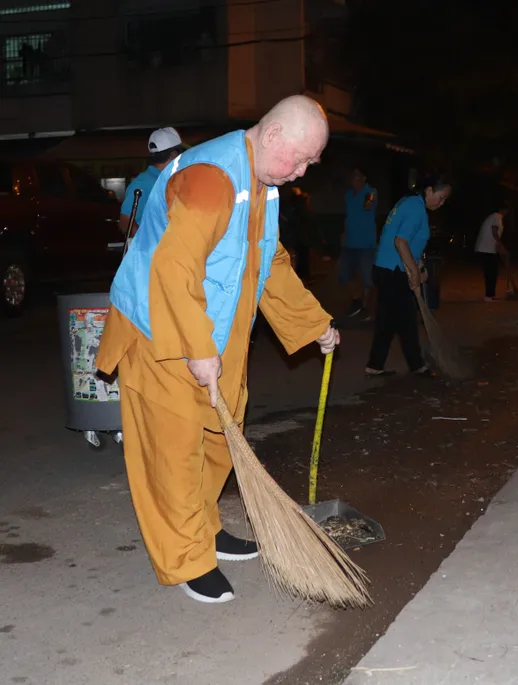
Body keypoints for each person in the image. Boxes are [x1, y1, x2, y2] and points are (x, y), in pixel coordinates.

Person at [95, 95, 339, 604]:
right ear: (272, 135)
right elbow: (174, 269)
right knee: (173, 450)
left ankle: (204, 528)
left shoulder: (265, 184)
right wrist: (196, 347)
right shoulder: (211, 179)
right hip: (160, 330)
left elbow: (268, 259)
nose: (301, 172)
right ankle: (186, 558)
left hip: (215, 330)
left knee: (220, 439)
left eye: (310, 163)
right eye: (300, 158)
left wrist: (312, 322)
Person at [365, 174, 451, 378]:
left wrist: (419, 267)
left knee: (387, 321)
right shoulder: (416, 208)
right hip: (394, 272)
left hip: (386, 269)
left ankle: (375, 365)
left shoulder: (409, 202)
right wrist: (413, 273)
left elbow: (409, 243)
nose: (441, 203)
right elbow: (400, 242)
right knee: (407, 321)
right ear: (429, 190)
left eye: (445, 200)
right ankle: (417, 366)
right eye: (441, 197)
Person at [119, 127, 185, 237]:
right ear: (174, 155)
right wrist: (150, 244)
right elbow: (125, 223)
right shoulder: (144, 183)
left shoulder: (167, 181)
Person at [340, 167, 379, 318]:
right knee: (344, 275)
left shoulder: (370, 192)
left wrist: (368, 200)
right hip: (349, 242)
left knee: (366, 277)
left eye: (357, 177)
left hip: (366, 243)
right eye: (352, 176)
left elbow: (368, 204)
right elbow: (349, 216)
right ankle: (357, 299)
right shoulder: (348, 195)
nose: (354, 180)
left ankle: (366, 307)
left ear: (364, 178)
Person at [473, 204, 509, 301]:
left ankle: (490, 295)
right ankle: (489, 295)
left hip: (487, 249)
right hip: (486, 249)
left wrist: (498, 247)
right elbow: (494, 232)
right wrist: (501, 245)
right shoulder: (497, 217)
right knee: (491, 273)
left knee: (492, 272)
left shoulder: (494, 217)